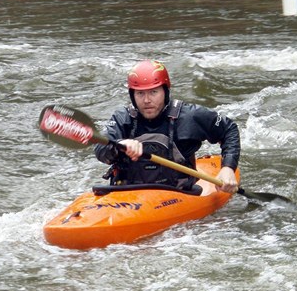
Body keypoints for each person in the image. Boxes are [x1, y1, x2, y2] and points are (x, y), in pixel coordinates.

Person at [94, 59, 240, 194]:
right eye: (140, 93)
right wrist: (119, 144)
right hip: (127, 193)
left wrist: (228, 167)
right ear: (132, 95)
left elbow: (229, 129)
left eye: (153, 92)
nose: (146, 100)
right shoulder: (123, 118)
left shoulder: (189, 116)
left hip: (178, 193)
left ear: (165, 91)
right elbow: (100, 149)